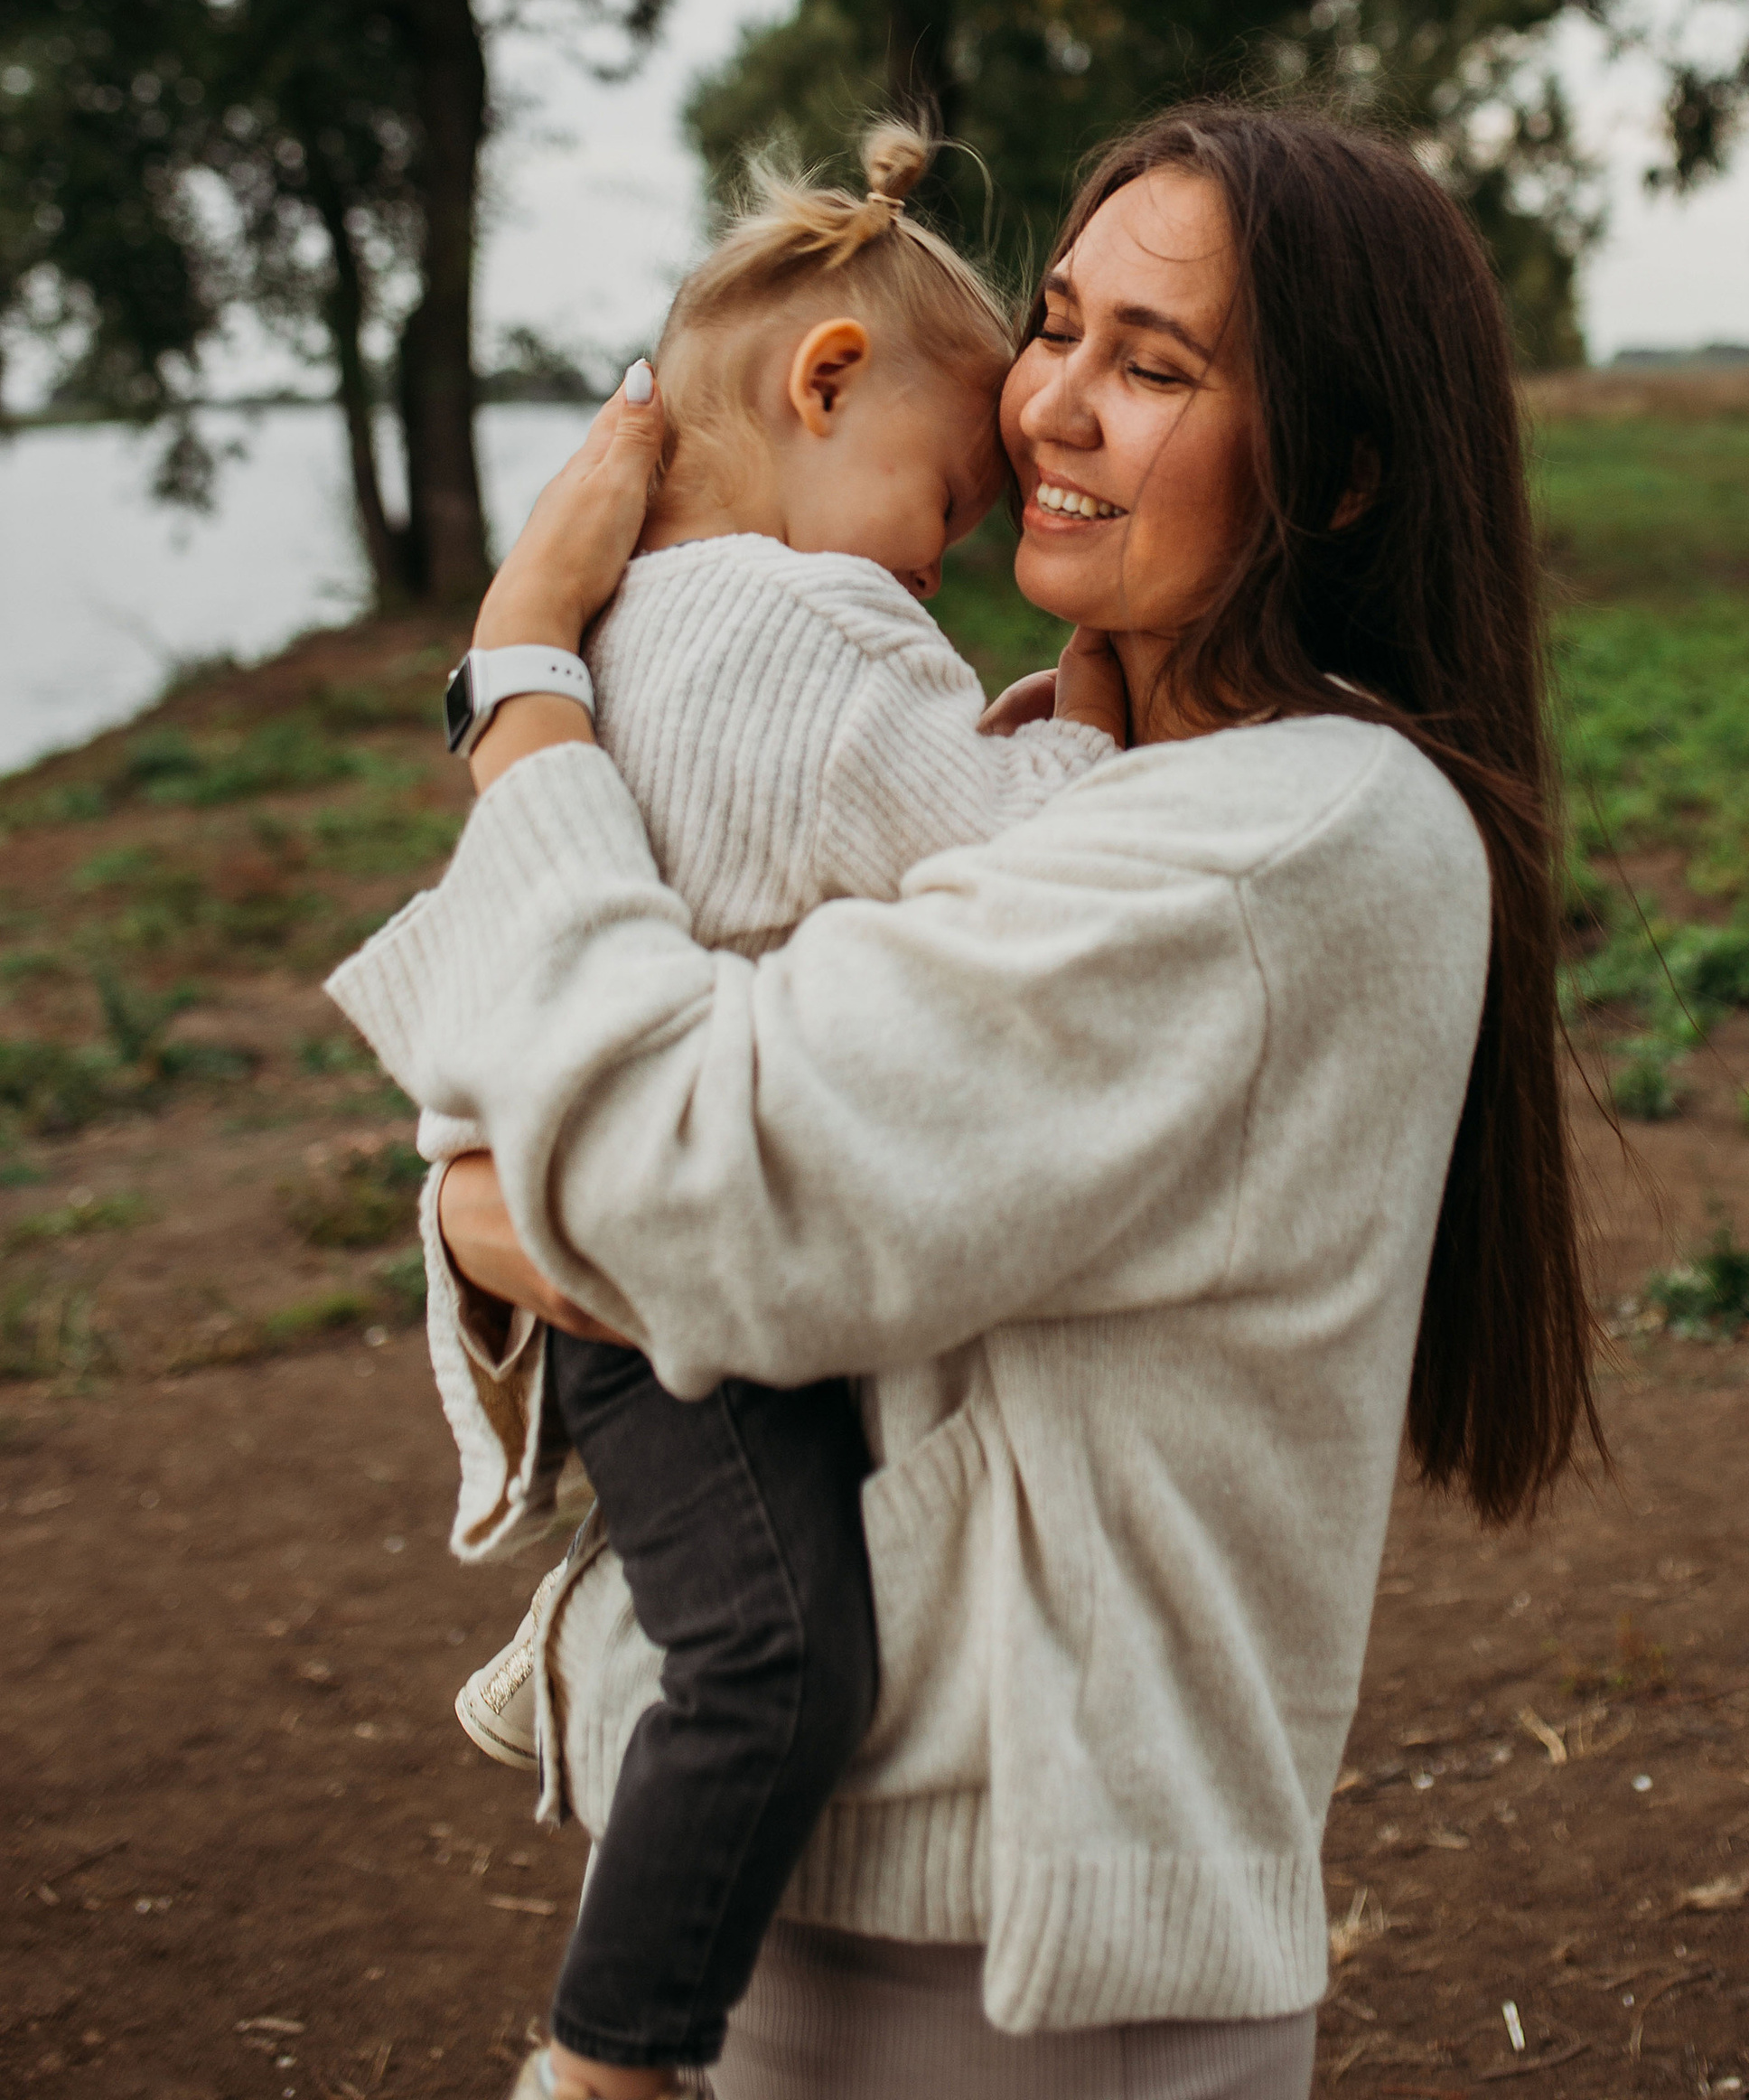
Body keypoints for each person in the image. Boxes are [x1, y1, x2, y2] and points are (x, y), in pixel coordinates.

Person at [329, 101, 1600, 2100]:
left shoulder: (1277, 849)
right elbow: (626, 1156)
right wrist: (518, 1193)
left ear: (1339, 474)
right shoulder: (1046, 775)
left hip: (1007, 1982)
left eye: (1154, 366)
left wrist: (524, 697)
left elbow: (685, 1183)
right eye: (1055, 327)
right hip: (838, 1888)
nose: (1047, 411)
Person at [354, 124, 1125, 2099]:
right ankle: (610, 2063)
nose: (941, 565)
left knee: (757, 1597)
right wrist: (1096, 713)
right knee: (779, 1658)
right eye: (944, 508)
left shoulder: (624, 629)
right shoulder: (799, 638)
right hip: (670, 1276)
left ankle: (594, 1653)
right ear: (828, 382)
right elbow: (986, 836)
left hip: (625, 1226)